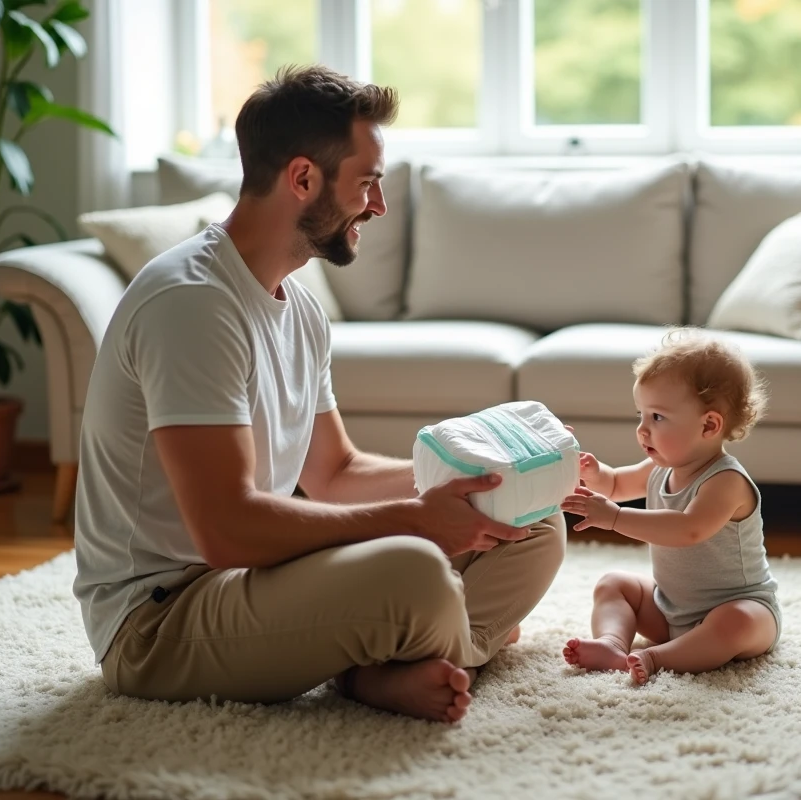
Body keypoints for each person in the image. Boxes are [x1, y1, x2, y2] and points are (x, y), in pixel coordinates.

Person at [72, 65, 565, 723]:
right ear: (303, 179)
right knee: (416, 571)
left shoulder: (298, 309)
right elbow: (225, 530)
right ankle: (415, 657)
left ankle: (410, 657)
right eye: (367, 183)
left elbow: (335, 473)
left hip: (252, 582)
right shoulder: (192, 304)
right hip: (160, 621)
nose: (380, 206)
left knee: (532, 519)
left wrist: (482, 479)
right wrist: (420, 519)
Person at [560, 329, 779, 685]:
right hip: (669, 609)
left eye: (657, 418)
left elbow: (687, 529)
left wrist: (614, 519)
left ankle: (655, 657)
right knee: (614, 584)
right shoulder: (660, 467)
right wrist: (593, 472)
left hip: (739, 609)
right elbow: (616, 484)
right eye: (640, 415)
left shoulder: (726, 482)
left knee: (736, 622)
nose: (642, 430)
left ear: (709, 425)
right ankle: (612, 643)